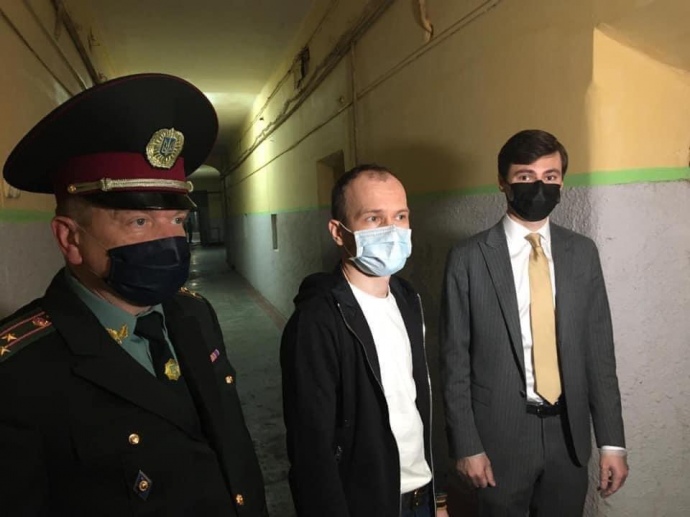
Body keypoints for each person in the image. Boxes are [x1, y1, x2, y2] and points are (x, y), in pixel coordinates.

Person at [0, 73, 266, 516]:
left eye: (177, 221)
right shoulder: (18, 373)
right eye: (139, 222)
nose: (170, 240)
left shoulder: (195, 313)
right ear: (70, 238)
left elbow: (232, 454)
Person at [439, 129, 628, 516]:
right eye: (525, 176)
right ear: (503, 181)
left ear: (562, 182)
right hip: (498, 438)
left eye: (550, 176)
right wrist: (466, 445)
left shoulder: (582, 253)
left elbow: (599, 353)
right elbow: (453, 362)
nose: (540, 186)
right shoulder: (468, 258)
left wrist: (612, 442)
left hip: (569, 437)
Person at [281, 164, 448, 517]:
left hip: (421, 496)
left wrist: (439, 497)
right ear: (338, 232)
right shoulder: (317, 321)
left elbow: (416, 404)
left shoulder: (407, 298)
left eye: (400, 216)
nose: (392, 230)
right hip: (367, 504)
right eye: (373, 218)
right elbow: (311, 448)